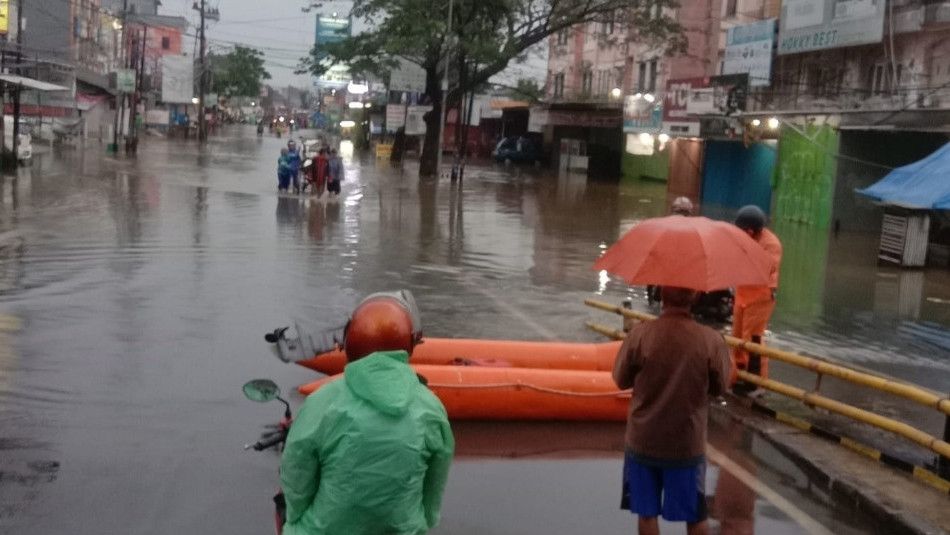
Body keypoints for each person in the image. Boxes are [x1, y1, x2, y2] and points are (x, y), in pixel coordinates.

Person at [279, 293, 455, 535]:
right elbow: (434, 487)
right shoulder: (430, 407)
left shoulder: (323, 401)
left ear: (351, 342)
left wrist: (297, 521)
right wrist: (423, 522)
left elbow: (296, 474)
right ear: (408, 344)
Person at [613, 286, 731, 535]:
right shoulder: (710, 340)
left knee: (646, 513)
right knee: (696, 515)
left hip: (643, 441)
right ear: (697, 296)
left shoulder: (640, 335)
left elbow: (620, 379)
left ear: (661, 295)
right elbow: (720, 387)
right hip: (686, 444)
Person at [731, 205, 782, 392]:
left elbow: (765, 270)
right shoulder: (743, 238)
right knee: (737, 334)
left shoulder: (771, 245)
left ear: (750, 231)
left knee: (752, 336)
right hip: (743, 291)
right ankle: (739, 372)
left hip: (761, 295)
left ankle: (755, 380)